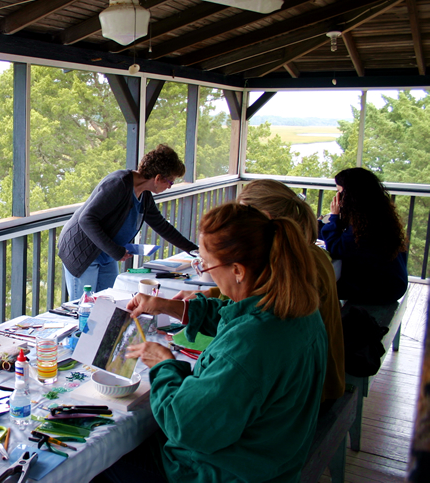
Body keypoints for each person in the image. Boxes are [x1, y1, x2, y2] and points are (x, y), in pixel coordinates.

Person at [99, 203, 327, 482]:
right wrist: (169, 306)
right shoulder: (296, 307)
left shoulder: (252, 343)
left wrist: (164, 364)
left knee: (100, 461)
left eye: (206, 265)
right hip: (271, 456)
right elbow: (235, 317)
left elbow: (187, 427)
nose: (204, 271)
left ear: (238, 271)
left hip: (221, 472)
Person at [237, 179, 345, 406]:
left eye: (242, 218)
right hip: (323, 378)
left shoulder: (294, 267)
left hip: (310, 395)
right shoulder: (308, 252)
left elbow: (255, 321)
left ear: (266, 219)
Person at [57, 144, 198, 298]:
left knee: (108, 302)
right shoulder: (118, 184)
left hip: (107, 253)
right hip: (83, 252)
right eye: (170, 182)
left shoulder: (144, 195)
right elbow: (86, 219)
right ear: (158, 178)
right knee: (83, 308)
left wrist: (195, 251)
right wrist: (115, 250)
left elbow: (162, 226)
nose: (169, 187)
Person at [319, 167, 408, 304]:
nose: (337, 198)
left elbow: (336, 247)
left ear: (351, 195)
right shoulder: (375, 216)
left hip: (382, 288)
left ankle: (330, 324)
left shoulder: (364, 227)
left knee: (318, 287)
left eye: (339, 192)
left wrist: (335, 216)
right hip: (393, 282)